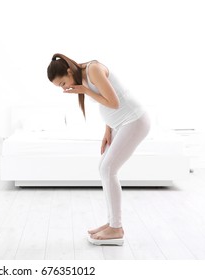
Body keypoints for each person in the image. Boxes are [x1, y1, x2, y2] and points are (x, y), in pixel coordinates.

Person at [47, 53, 150, 246]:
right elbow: (110, 101)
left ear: (69, 71)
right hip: (120, 124)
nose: (65, 88)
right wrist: (108, 129)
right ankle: (112, 223)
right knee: (104, 167)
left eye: (62, 83)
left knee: (108, 169)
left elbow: (115, 102)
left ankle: (116, 228)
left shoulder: (93, 69)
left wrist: (85, 90)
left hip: (134, 120)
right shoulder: (85, 76)